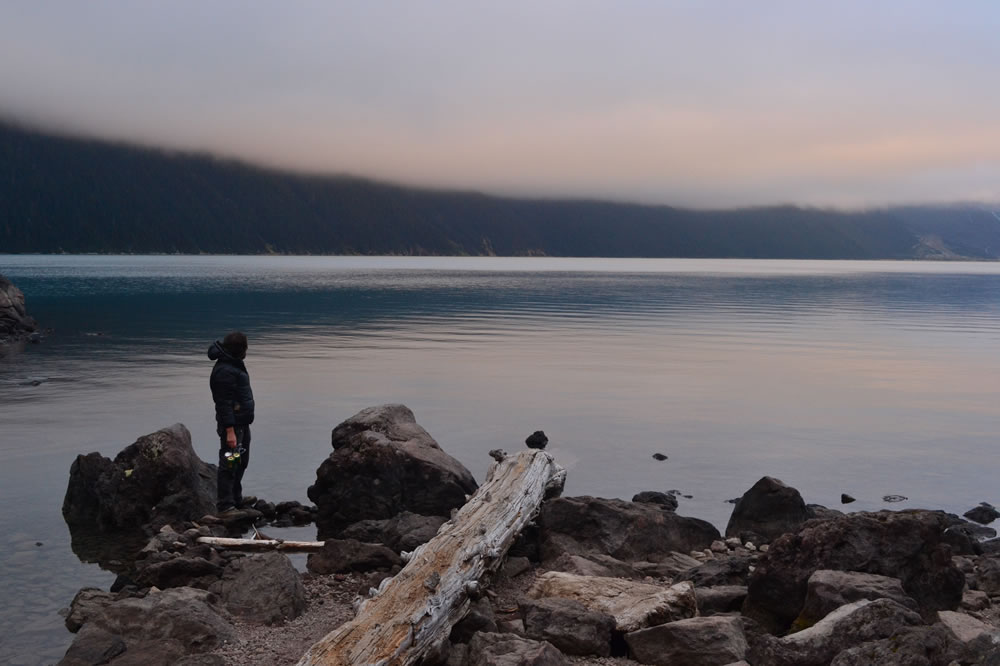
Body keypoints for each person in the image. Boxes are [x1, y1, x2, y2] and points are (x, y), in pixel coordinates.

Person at [207, 331, 255, 513]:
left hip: (241, 424)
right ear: (239, 349)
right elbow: (223, 404)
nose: (246, 351)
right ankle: (226, 505)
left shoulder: (233, 365)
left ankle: (236, 498)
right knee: (230, 463)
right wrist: (229, 431)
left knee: (240, 462)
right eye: (245, 348)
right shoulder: (225, 371)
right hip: (233, 426)